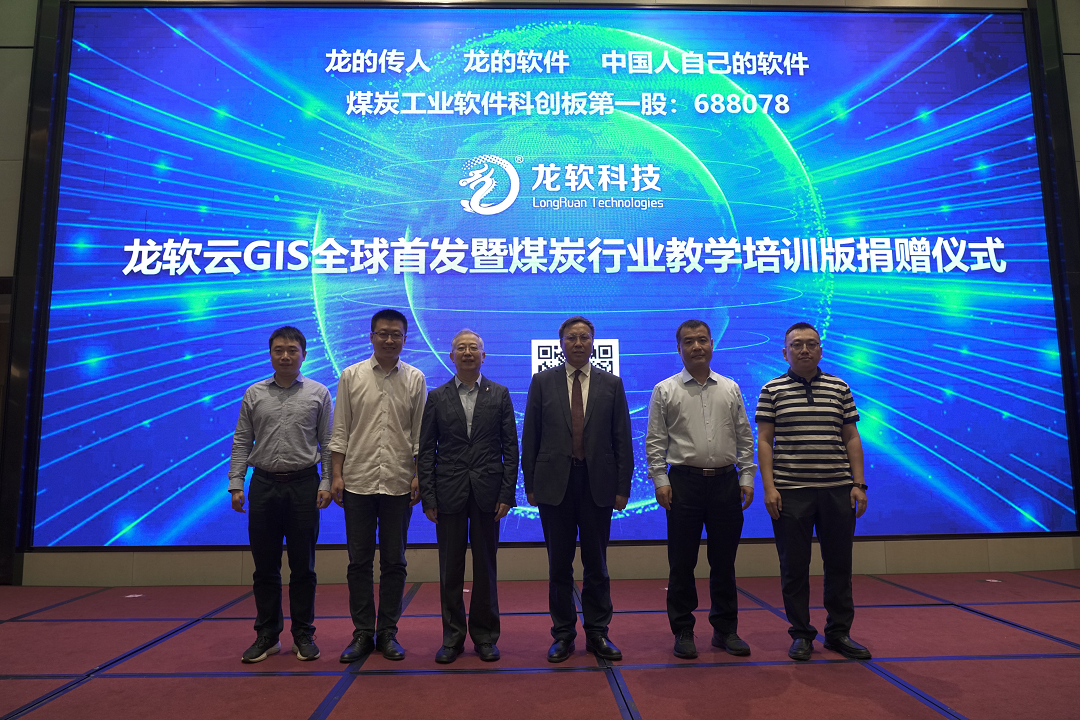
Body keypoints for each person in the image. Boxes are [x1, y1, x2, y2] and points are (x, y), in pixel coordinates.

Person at [755, 322, 871, 662]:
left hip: (838, 490)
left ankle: (838, 633)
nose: (804, 350)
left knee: (839, 564)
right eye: (796, 345)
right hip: (791, 491)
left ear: (821, 350)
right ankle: (801, 634)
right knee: (794, 566)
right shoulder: (772, 390)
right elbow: (764, 441)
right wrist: (769, 488)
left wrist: (858, 484)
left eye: (811, 344)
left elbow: (851, 437)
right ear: (785, 352)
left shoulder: (839, 387)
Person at [521, 316, 634, 663]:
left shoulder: (611, 383)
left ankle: (598, 632)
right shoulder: (542, 381)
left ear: (593, 343)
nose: (579, 343)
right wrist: (530, 485)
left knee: (597, 564)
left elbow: (622, 438)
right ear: (561, 344)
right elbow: (531, 436)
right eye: (572, 338)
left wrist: (622, 487)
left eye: (585, 337)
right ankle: (563, 634)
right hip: (554, 485)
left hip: (597, 484)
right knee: (559, 565)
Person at [646, 319, 756, 660]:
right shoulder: (665, 390)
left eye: (703, 340)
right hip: (684, 483)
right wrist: (660, 480)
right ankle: (683, 629)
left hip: (725, 482)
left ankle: (725, 630)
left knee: (724, 562)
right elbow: (655, 441)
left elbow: (744, 436)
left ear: (712, 344)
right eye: (689, 341)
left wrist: (747, 477)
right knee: (682, 562)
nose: (697, 346)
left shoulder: (730, 388)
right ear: (678, 348)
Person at [229, 326, 333, 663]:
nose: (285, 356)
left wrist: (326, 482)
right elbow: (242, 440)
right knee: (265, 567)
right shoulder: (254, 393)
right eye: (278, 350)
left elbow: (328, 442)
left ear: (304, 354)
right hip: (263, 485)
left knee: (304, 567)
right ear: (270, 354)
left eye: (292, 350)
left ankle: (303, 634)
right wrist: (236, 483)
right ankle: (267, 635)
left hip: (304, 485)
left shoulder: (319, 392)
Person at [330, 309, 426, 662]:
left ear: (405, 338)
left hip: (399, 482)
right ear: (371, 336)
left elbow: (419, 435)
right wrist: (336, 474)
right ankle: (361, 633)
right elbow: (340, 429)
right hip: (357, 481)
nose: (389, 339)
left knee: (394, 562)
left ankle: (387, 632)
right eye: (382, 333)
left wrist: (418, 473)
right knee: (358, 562)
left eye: (396, 334)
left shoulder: (415, 378)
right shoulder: (351, 375)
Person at [417, 329, 518, 664]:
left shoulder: (500, 394)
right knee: (450, 569)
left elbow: (511, 448)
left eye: (473, 347)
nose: (467, 352)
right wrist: (429, 497)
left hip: (489, 492)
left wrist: (507, 493)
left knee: (486, 567)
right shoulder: (437, 396)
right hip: (449, 492)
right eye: (461, 348)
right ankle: (452, 638)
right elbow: (426, 450)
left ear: (483, 356)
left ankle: (486, 637)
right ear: (451, 357)